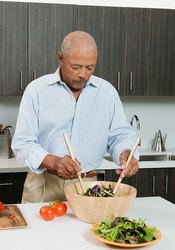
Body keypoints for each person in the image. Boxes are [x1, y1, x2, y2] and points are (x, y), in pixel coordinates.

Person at [11, 31, 139, 203]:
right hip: (44, 183)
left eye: (90, 68)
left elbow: (120, 136)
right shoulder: (37, 90)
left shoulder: (107, 92)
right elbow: (22, 143)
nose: (83, 75)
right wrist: (54, 162)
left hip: (87, 185)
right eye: (76, 67)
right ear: (60, 58)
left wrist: (126, 153)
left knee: (86, 231)